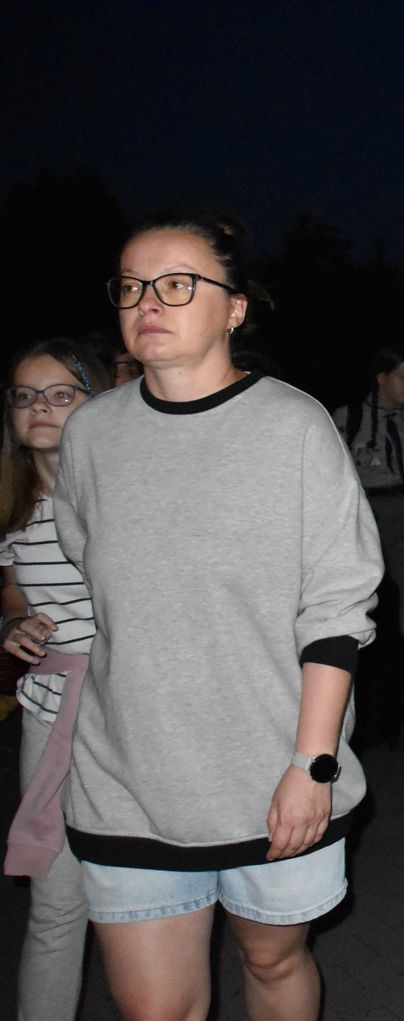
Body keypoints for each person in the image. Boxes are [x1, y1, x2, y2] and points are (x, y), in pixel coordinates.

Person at [51, 211, 383, 1021]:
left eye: (176, 284)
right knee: (155, 1009)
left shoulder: (291, 426)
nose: (147, 302)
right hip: (127, 776)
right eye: (132, 286)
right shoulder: (90, 435)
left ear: (234, 307)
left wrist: (312, 765)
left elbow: (337, 606)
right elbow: (90, 576)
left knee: (271, 959)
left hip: (271, 770)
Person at [1, 339, 110, 1021]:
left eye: (61, 393)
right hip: (49, 711)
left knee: (138, 891)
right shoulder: (11, 508)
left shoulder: (119, 495)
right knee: (56, 901)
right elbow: (13, 595)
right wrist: (12, 624)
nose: (40, 406)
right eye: (25, 395)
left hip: (129, 710)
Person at [334, 349, 404, 744]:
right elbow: (337, 480)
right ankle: (374, 708)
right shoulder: (348, 418)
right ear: (381, 377)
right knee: (373, 610)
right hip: (371, 515)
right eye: (403, 376)